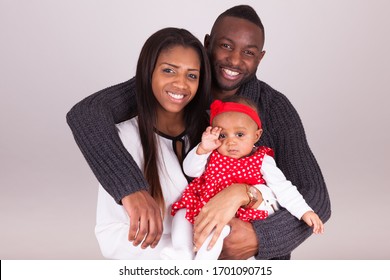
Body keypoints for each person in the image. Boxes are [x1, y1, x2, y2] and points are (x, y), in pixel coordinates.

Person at [66, 5, 331, 259]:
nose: (235, 60)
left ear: (260, 57)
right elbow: (88, 114)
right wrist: (130, 189)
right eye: (226, 46)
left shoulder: (274, 107)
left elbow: (314, 196)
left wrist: (259, 236)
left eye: (248, 52)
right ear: (208, 44)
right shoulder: (181, 87)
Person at [94, 27, 211, 259]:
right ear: (148, 73)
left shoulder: (211, 133)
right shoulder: (124, 137)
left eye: (192, 75)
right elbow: (110, 236)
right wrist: (187, 257)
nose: (181, 84)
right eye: (169, 71)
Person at [161, 97, 324, 260]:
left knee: (218, 231)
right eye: (223, 135)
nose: (231, 142)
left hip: (234, 216)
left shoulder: (261, 159)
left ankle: (203, 263)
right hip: (203, 206)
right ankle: (182, 250)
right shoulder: (212, 152)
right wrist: (203, 148)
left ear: (257, 135)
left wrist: (304, 211)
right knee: (182, 215)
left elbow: (283, 188)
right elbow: (191, 170)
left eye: (240, 134)